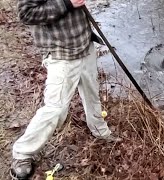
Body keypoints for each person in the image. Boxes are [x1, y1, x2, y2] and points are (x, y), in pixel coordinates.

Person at [10, 0, 121, 179]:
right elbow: (26, 14)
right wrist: (66, 4)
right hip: (61, 54)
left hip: (85, 45)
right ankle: (22, 154)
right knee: (55, 109)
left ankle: (100, 130)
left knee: (92, 93)